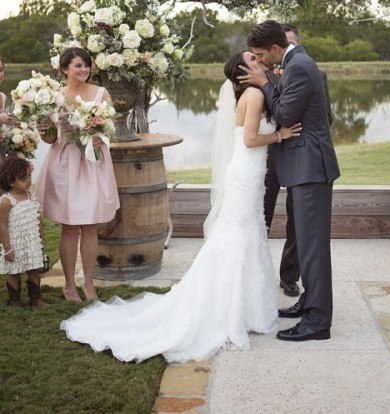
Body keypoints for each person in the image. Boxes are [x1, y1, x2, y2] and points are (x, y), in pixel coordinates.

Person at [60, 51, 301, 363]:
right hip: (246, 172)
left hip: (251, 175)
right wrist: (281, 135)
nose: (259, 61)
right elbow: (250, 139)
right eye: (253, 60)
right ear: (243, 72)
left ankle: (246, 308)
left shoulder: (257, 92)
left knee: (248, 234)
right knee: (238, 236)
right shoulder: (254, 94)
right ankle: (226, 310)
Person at [239, 20, 340, 342]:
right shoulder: (295, 63)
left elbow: (285, 115)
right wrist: (269, 79)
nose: (261, 61)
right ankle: (309, 303)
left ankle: (317, 322)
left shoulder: (298, 67)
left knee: (313, 249)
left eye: (260, 55)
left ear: (274, 49)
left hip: (310, 166)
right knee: (309, 246)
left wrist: (264, 82)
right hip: (303, 167)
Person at [35, 47, 119, 302]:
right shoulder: (53, 97)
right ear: (64, 69)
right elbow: (51, 138)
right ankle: (69, 285)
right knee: (70, 227)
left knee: (91, 225)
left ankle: (89, 283)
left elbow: (110, 129)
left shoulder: (101, 94)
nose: (83, 70)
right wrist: (43, 130)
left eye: (86, 65)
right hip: (65, 163)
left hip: (93, 163)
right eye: (77, 66)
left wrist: (98, 139)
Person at [263, 24, 333, 298]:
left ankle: (290, 276)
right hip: (268, 159)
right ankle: (254, 274)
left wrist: (298, 126)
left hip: (300, 158)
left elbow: (325, 117)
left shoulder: (312, 71)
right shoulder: (262, 75)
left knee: (299, 221)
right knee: (259, 217)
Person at [0, 156, 47, 308]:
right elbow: (2, 225)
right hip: (15, 244)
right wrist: (7, 248)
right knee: (14, 273)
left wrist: (41, 239)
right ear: (11, 181)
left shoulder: (31, 196)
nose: (28, 180)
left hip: (31, 243)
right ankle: (15, 301)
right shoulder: (7, 201)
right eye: (23, 178)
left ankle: (36, 299)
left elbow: (37, 219)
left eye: (29, 176)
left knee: (34, 270)